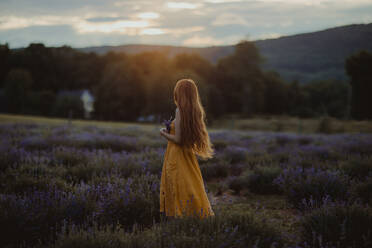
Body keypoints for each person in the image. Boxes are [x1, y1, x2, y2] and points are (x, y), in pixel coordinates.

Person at [159, 78, 215, 219]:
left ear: (179, 93)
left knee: (177, 186)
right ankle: (196, 214)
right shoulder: (195, 111)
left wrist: (164, 134)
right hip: (188, 155)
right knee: (190, 185)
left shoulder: (180, 111)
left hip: (176, 155)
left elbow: (178, 140)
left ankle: (179, 215)